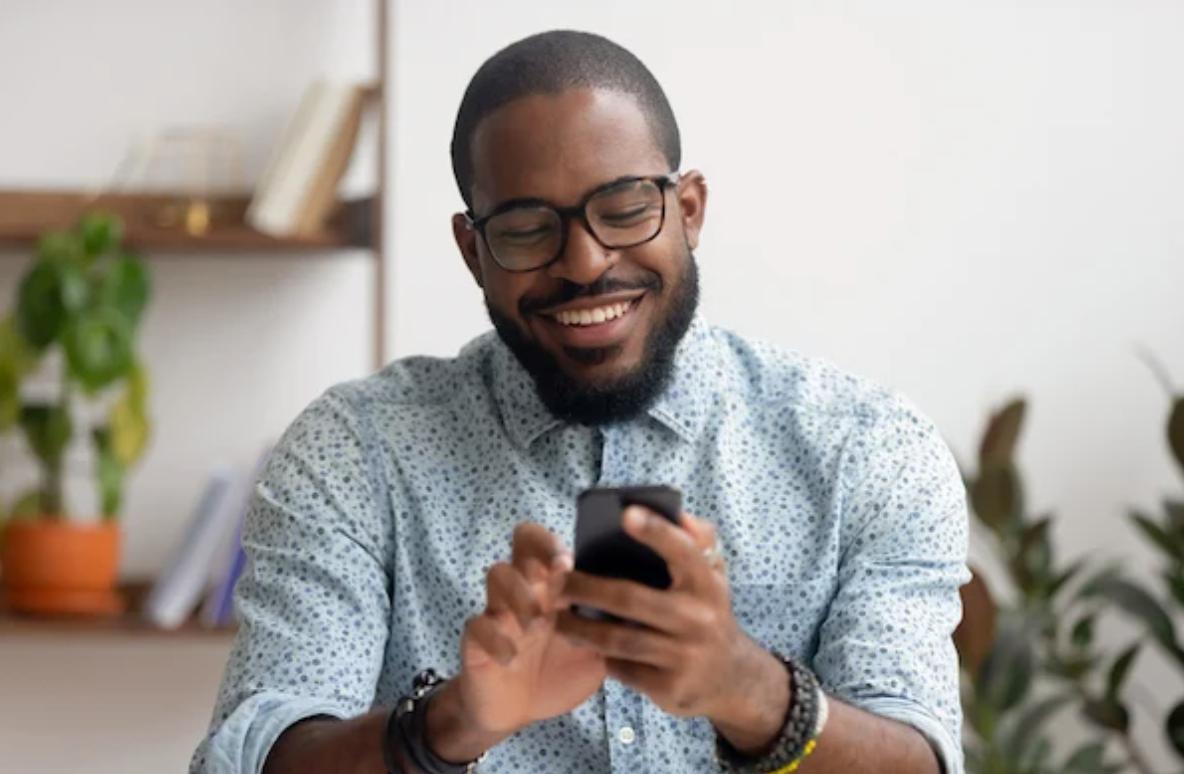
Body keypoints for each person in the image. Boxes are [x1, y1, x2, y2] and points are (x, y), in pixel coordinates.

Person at [190, 29, 969, 774]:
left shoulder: (867, 450)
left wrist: (747, 688)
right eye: (528, 228)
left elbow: (920, 759)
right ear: (472, 251)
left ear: (689, 210)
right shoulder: (354, 453)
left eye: (626, 207)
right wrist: (452, 723)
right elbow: (245, 758)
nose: (586, 263)